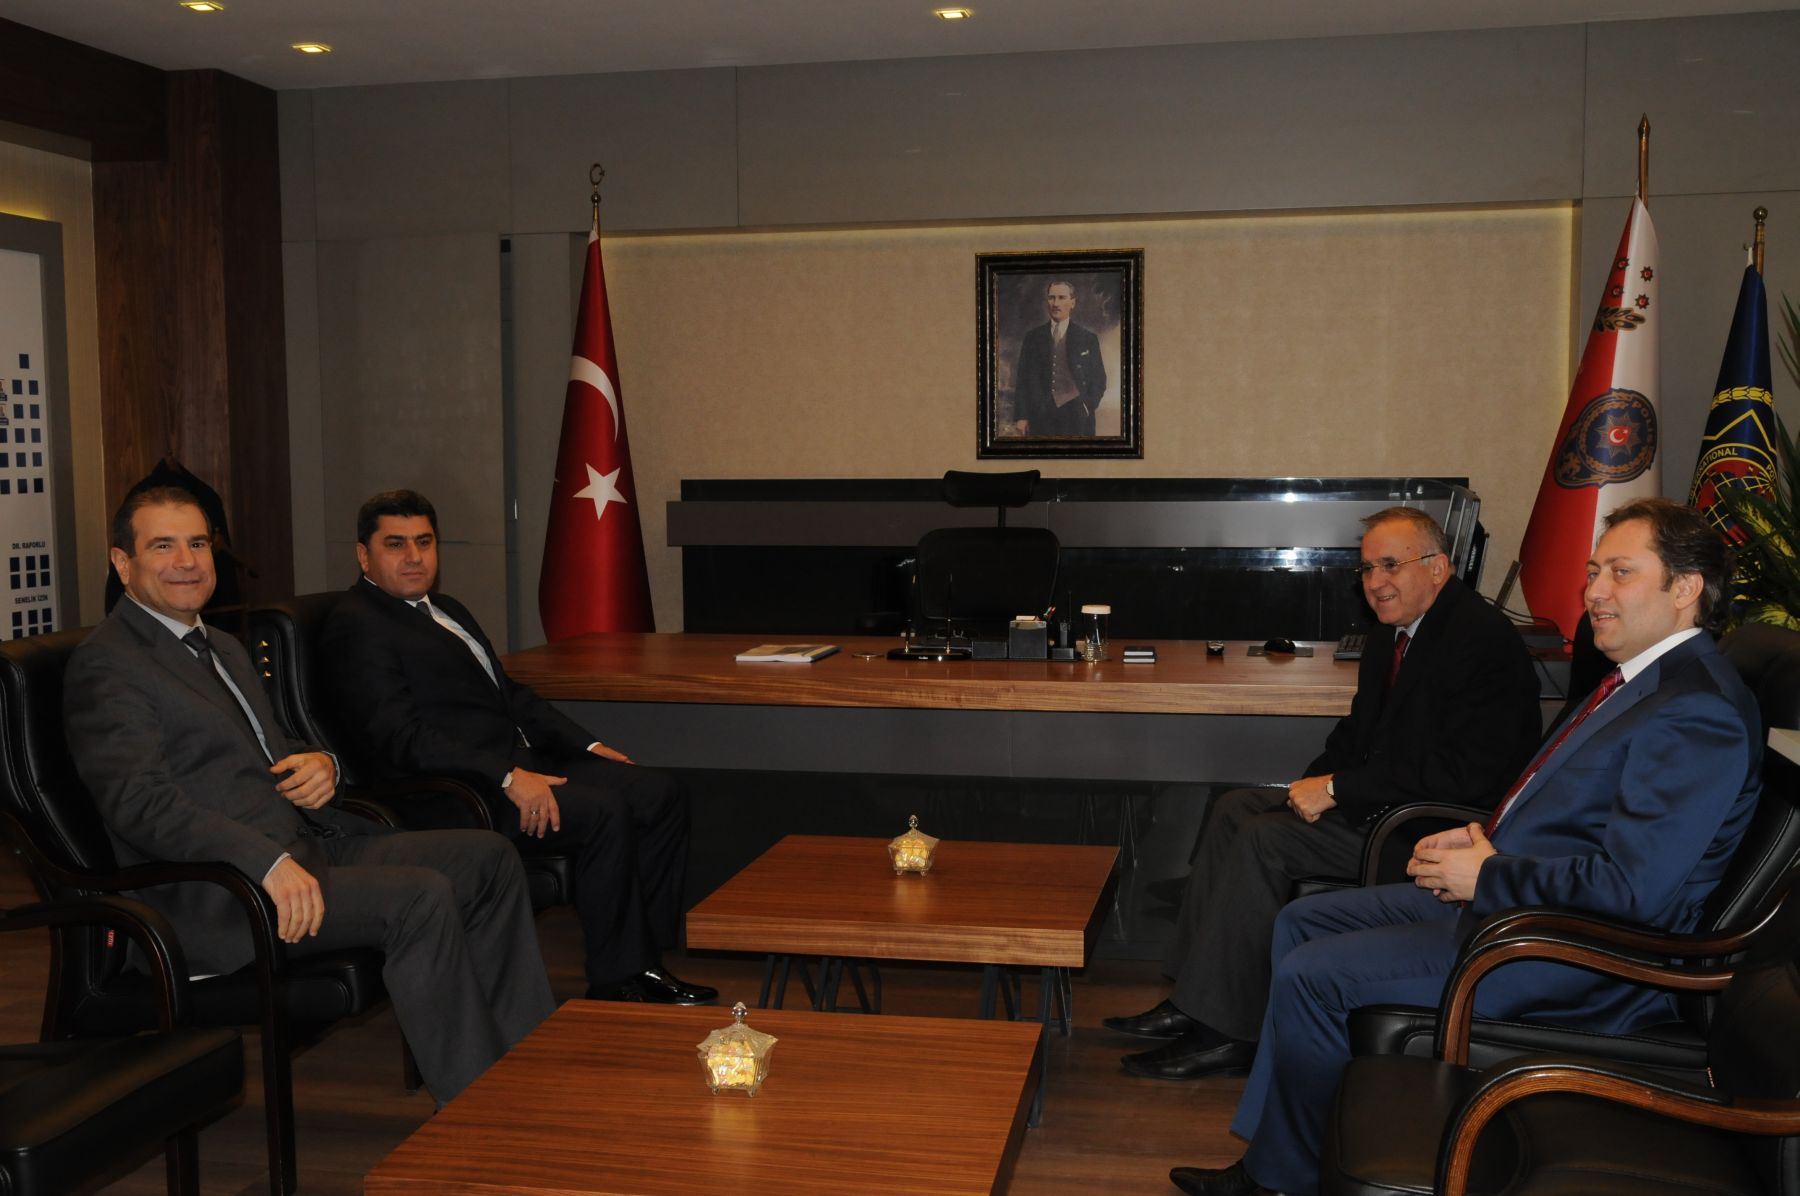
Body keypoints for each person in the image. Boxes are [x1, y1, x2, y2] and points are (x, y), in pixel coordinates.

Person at [1171, 497, 1764, 1196]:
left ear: (1685, 588)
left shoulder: (1696, 711)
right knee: (1302, 921)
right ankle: (1282, 1158)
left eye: (1621, 573)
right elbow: (1573, 817)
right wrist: (1486, 838)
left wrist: (1491, 873)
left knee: (1314, 973)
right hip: (1519, 905)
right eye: (1593, 571)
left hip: (1567, 951)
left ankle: (1279, 1180)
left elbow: (1633, 891)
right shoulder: (1645, 682)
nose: (1593, 591)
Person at [64, 486, 553, 1105]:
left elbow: (276, 746)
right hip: (221, 894)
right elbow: (140, 803)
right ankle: (479, 1111)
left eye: (198, 543)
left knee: (489, 859)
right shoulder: (109, 665)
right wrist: (264, 862)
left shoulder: (221, 645)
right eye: (163, 546)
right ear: (122, 563)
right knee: (421, 898)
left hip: (307, 846)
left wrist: (323, 764)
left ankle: (526, 1066)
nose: (186, 561)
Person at [1106, 507, 1540, 1080]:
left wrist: (1336, 789)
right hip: (1381, 804)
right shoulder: (1392, 636)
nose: (1375, 582)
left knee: (1265, 840)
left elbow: (1465, 774)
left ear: (1438, 568)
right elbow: (1356, 736)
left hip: (1430, 830)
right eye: (1366, 569)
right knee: (1236, 807)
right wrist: (1307, 787)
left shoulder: (1481, 641)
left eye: (1391, 565)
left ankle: (1229, 1033)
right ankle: (1194, 998)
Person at [318, 489, 716, 1006]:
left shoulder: (446, 608)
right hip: (456, 793)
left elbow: (509, 696)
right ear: (363, 555)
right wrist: (506, 776)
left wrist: (589, 744)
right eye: (396, 544)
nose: (414, 556)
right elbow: (400, 737)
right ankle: (620, 978)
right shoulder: (358, 624)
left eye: (424, 542)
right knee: (604, 812)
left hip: (518, 764)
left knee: (659, 793)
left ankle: (644, 958)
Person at [1010, 279, 1107, 437]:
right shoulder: (1032, 338)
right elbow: (1023, 380)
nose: (1056, 303)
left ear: (1072, 302)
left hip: (1077, 414)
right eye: (1051, 298)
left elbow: (1099, 379)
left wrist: (1087, 405)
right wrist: (1021, 416)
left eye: (1062, 298)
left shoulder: (1088, 338)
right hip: (1040, 415)